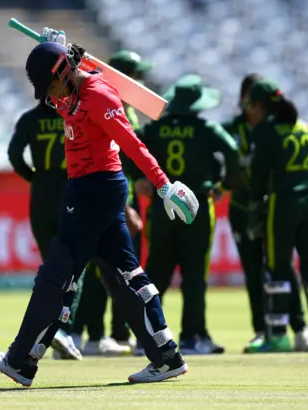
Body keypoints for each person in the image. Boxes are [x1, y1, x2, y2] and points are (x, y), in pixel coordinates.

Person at [0, 34, 197, 386]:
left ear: (64, 72)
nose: (50, 96)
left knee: (57, 274)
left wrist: (162, 184)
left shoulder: (98, 94)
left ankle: (21, 360)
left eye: (50, 85)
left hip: (94, 191)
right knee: (125, 274)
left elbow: (131, 142)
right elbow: (71, 98)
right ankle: (166, 355)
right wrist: (60, 51)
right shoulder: (74, 89)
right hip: (92, 188)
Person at [135, 74, 235, 354]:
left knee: (155, 272)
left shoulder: (155, 129)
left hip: (162, 206)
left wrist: (137, 179)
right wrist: (224, 185)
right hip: (198, 207)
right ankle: (193, 337)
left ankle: (147, 336)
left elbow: (125, 146)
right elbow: (234, 152)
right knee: (194, 274)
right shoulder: (206, 129)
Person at [222, 74, 308, 353]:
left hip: (276, 207)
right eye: (249, 97)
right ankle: (263, 331)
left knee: (284, 267)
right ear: (243, 100)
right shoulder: (230, 129)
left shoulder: (278, 128)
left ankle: (299, 328)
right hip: (244, 208)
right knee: (253, 272)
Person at [245, 78, 308, 352]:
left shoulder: (265, 130)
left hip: (282, 203)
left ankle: (278, 337)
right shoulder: (304, 126)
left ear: (261, 105)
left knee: (278, 267)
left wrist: (255, 205)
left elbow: (258, 177)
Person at [71, 50, 152, 356]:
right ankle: (93, 335)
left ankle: (107, 334)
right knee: (105, 269)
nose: (142, 83)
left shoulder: (110, 102)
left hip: (117, 197)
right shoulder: (109, 103)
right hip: (114, 199)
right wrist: (127, 205)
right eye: (137, 76)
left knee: (111, 269)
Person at [7, 98, 83, 360]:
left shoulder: (29, 119)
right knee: (75, 268)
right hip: (71, 195)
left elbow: (14, 155)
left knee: (51, 267)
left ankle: (55, 331)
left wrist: (36, 178)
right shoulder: (73, 113)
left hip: (41, 198)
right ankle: (67, 332)